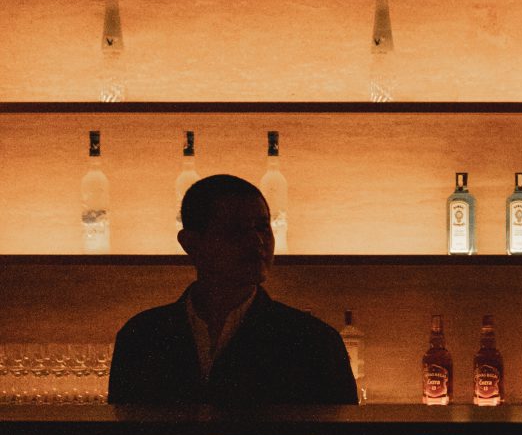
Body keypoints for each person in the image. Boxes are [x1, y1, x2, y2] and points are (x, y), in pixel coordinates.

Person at [108, 173, 359, 406]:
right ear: (190, 243)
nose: (256, 241)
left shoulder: (313, 342)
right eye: (235, 230)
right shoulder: (142, 337)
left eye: (262, 227)